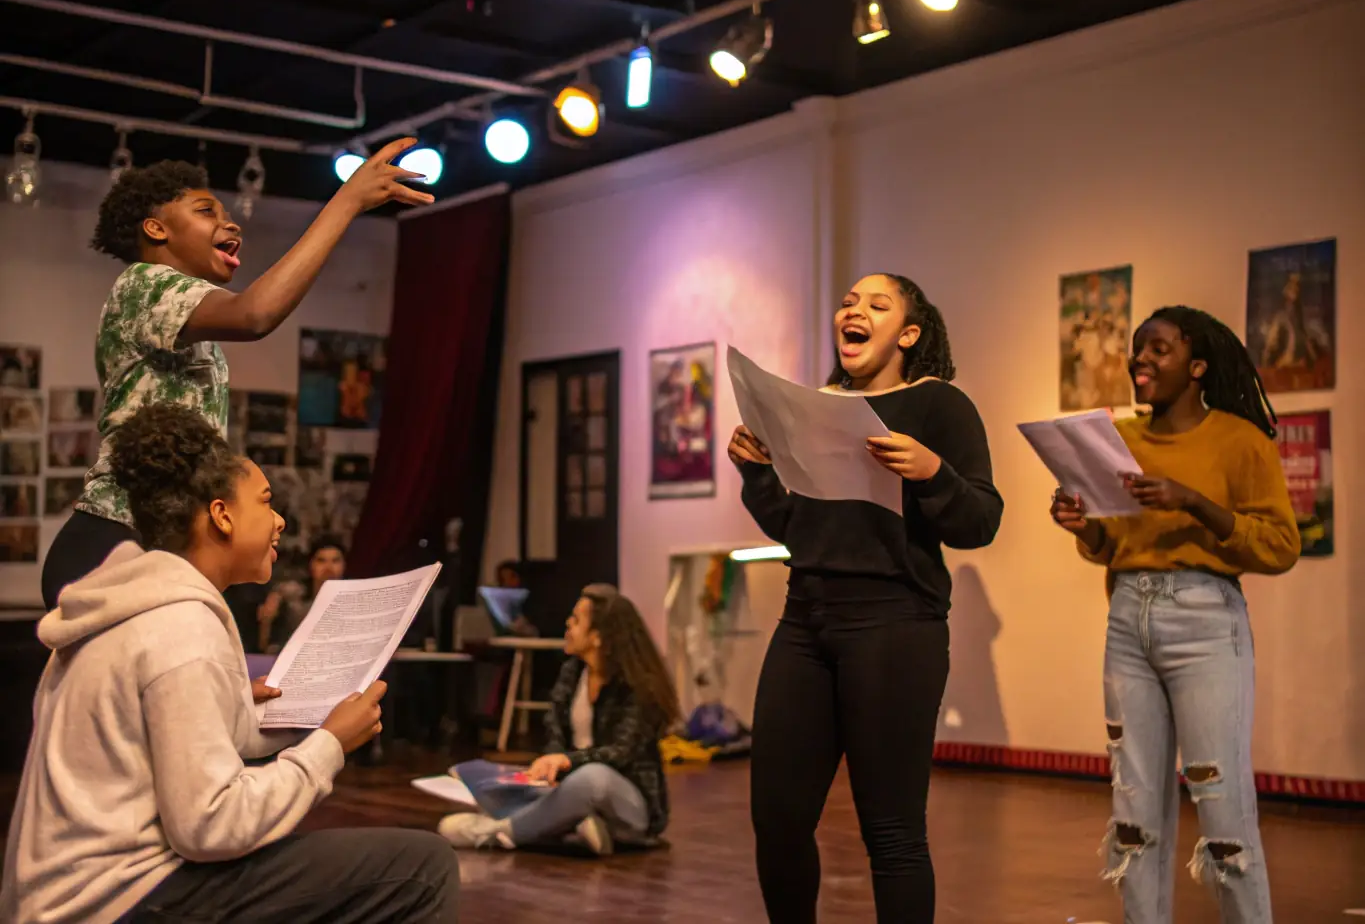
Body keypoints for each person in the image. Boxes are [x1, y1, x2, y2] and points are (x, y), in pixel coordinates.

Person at [0, 403, 459, 923]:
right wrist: (328, 746)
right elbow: (210, 824)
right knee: (423, 867)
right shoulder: (180, 627)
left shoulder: (124, 606)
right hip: (112, 903)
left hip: (59, 901)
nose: (280, 519)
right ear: (221, 515)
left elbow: (175, 749)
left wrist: (266, 709)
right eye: (266, 502)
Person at [39, 139, 433, 609]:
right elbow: (256, 314)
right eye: (206, 211)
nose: (230, 222)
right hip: (117, 542)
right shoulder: (142, 284)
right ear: (156, 228)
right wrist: (346, 202)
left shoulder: (183, 317)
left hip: (157, 548)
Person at [730, 273, 1003, 923]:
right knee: (777, 820)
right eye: (849, 302)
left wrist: (931, 472)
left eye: (877, 305)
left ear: (908, 334)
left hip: (893, 625)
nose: (855, 310)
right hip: (804, 621)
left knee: (891, 831)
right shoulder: (820, 406)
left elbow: (981, 521)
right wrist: (756, 475)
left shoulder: (938, 405)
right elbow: (797, 528)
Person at [1050, 306, 1298, 924]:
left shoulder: (1241, 440)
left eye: (1158, 350)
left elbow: (1279, 546)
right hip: (1128, 616)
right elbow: (1115, 546)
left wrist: (1195, 503)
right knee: (1133, 816)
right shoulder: (1121, 441)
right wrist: (1086, 530)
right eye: (1138, 350)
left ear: (1196, 366)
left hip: (1206, 622)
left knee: (1222, 810)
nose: (1141, 360)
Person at [438, 583, 679, 856]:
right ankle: (575, 826)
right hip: (571, 787)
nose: (568, 623)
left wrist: (566, 761)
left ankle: (497, 832)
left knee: (591, 779)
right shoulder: (573, 671)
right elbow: (555, 730)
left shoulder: (637, 685)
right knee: (489, 779)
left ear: (599, 636)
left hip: (628, 806)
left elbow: (620, 753)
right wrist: (551, 767)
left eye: (576, 620)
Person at [258, 537, 347, 653]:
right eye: (321, 560)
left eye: (335, 561)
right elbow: (264, 646)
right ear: (311, 565)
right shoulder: (289, 595)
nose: (328, 567)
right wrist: (266, 622)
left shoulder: (354, 601)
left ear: (344, 565)